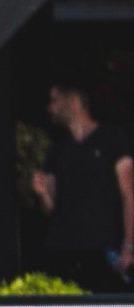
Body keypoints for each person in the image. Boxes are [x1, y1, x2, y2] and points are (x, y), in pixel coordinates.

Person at [31, 77, 134, 292]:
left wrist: (129, 247)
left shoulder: (112, 139)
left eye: (55, 100)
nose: (50, 108)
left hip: (103, 250)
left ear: (73, 100)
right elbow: (51, 209)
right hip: (64, 250)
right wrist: (42, 193)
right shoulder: (58, 150)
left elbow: (129, 194)